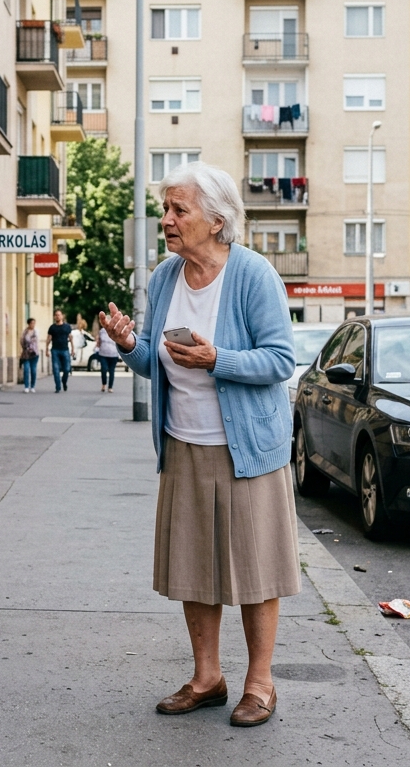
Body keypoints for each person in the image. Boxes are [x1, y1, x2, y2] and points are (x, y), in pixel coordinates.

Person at [98, 162, 298, 728]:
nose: (167, 220)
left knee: (256, 569)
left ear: (216, 219)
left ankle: (260, 683)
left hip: (247, 451)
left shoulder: (254, 275)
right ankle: (207, 677)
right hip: (183, 443)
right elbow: (154, 365)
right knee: (194, 566)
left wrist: (218, 359)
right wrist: (129, 342)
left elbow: (281, 360)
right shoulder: (165, 278)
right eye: (165, 208)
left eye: (178, 210)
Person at [47, 310, 74, 392]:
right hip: (55, 350)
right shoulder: (52, 327)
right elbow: (48, 338)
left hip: (65, 350)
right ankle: (58, 387)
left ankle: (64, 381)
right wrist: (46, 349)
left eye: (59, 315)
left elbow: (71, 338)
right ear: (54, 316)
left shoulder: (67, 327)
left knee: (67, 369)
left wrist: (73, 349)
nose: (57, 316)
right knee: (56, 369)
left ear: (62, 316)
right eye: (56, 315)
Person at [97, 326, 120, 392]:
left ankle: (110, 387)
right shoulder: (102, 331)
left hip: (114, 354)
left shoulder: (116, 330)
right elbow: (99, 341)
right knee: (104, 369)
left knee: (111, 371)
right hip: (103, 354)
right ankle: (104, 384)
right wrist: (97, 348)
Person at [20, 318, 40, 393]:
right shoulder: (25, 332)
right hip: (26, 353)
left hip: (35, 353)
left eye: (34, 323)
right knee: (26, 369)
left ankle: (32, 386)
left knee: (33, 370)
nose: (33, 325)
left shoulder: (36, 332)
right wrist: (25, 349)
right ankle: (26, 386)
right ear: (28, 324)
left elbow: (38, 342)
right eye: (32, 323)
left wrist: (35, 349)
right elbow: (21, 341)